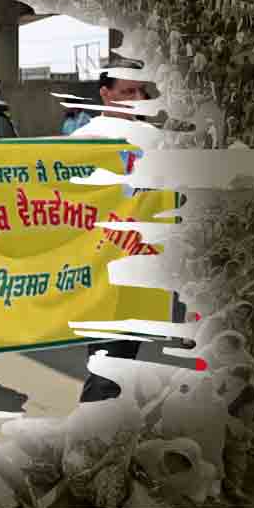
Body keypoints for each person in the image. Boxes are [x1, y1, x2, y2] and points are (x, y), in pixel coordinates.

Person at [68, 65, 161, 402]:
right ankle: (90, 441)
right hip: (102, 266)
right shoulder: (84, 141)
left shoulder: (152, 139)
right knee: (107, 364)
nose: (136, 99)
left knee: (127, 362)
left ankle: (109, 439)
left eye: (140, 92)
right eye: (127, 92)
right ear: (104, 93)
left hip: (143, 263)